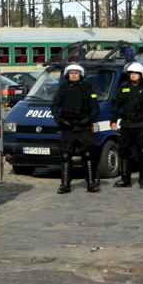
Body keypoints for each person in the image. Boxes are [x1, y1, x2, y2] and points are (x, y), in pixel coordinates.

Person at [51, 64, 101, 193]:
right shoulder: (63, 88)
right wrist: (61, 121)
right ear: (68, 75)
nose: (73, 75)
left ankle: (91, 183)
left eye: (76, 73)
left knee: (88, 155)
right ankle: (65, 185)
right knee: (66, 156)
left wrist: (86, 120)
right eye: (71, 73)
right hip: (67, 127)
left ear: (81, 75)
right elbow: (55, 107)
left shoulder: (87, 89)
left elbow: (95, 109)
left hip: (83, 127)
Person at [109, 62, 143, 188]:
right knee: (124, 152)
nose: (133, 76)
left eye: (136, 73)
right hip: (126, 125)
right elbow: (115, 105)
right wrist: (113, 121)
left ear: (141, 75)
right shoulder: (123, 87)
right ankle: (125, 179)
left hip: (142, 125)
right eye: (131, 73)